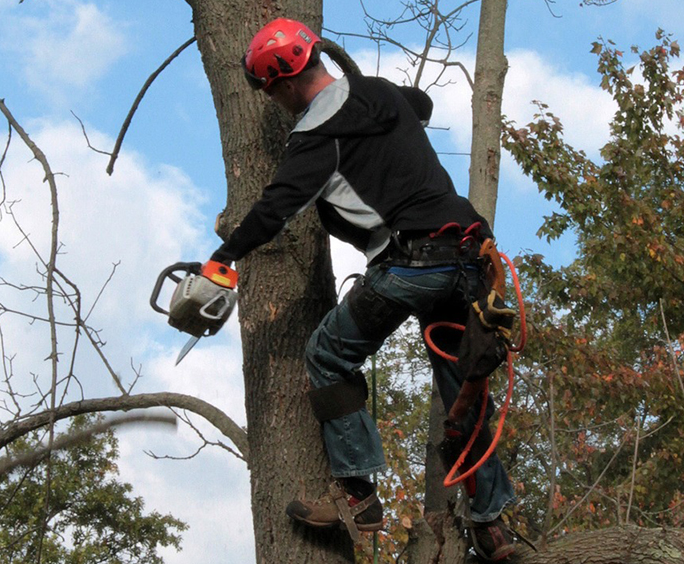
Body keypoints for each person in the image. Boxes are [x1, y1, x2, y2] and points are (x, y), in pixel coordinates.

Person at [211, 17, 516, 561]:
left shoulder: (315, 138)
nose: (276, 102)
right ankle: (493, 529)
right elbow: (418, 104)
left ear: (281, 84)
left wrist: (222, 258)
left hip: (412, 264)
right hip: (471, 259)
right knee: (460, 390)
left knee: (327, 355)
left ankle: (357, 496)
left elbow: (274, 210)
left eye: (272, 93)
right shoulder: (381, 95)